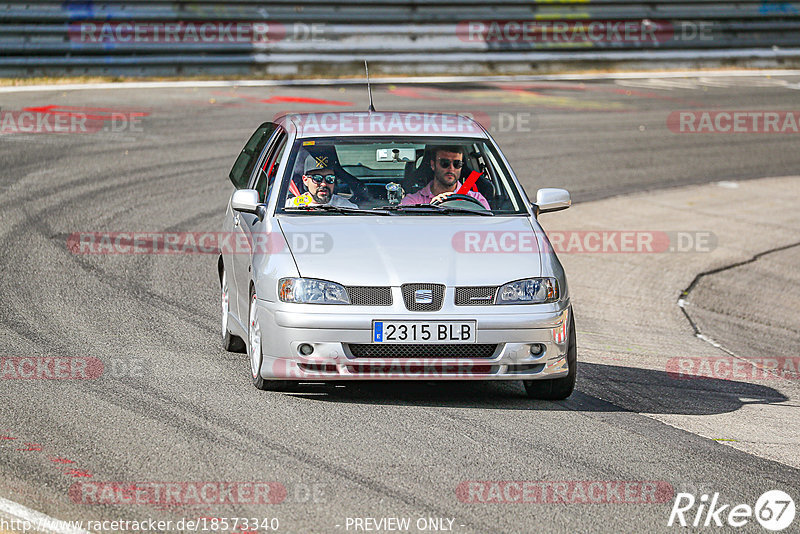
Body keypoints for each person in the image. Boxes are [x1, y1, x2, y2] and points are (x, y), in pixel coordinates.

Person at [399, 146, 490, 209]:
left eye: (457, 164)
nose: (451, 168)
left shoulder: (477, 200)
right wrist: (428, 210)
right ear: (433, 165)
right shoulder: (413, 202)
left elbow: (487, 228)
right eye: (445, 163)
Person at [285, 154, 358, 208]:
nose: (324, 184)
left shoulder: (347, 208)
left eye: (329, 178)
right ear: (305, 180)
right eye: (317, 178)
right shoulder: (290, 207)